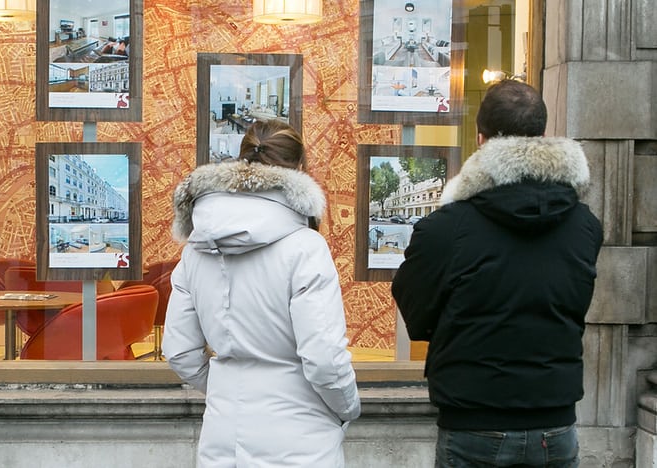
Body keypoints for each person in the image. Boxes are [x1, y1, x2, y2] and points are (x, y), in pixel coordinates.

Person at [391, 80, 603, 467]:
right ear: (542, 136)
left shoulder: (445, 228)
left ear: (480, 138)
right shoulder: (584, 225)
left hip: (475, 421)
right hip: (553, 422)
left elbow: (416, 314)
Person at [162, 119, 361, 467]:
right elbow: (325, 359)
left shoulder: (195, 250)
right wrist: (347, 409)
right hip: (301, 438)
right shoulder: (305, 248)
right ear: (299, 171)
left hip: (222, 437)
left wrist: (228, 391)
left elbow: (179, 351)